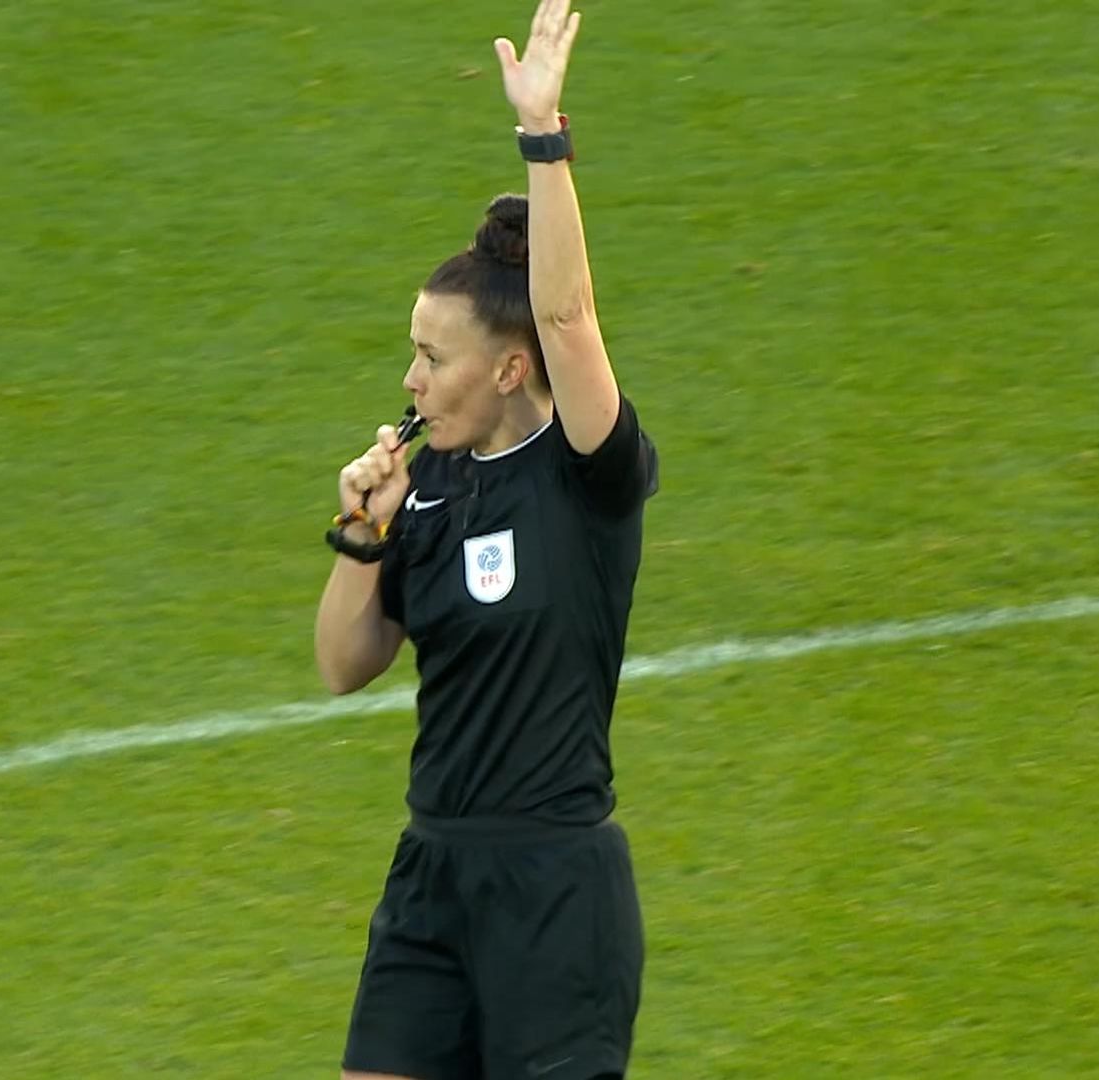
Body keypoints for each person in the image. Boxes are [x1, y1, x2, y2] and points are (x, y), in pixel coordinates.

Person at [314, 3, 658, 1077]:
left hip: (555, 893)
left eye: (433, 355)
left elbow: (567, 318)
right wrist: (360, 537)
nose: (411, 380)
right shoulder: (433, 489)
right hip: (432, 877)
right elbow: (342, 667)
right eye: (409, 352)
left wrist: (542, 134)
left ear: (508, 370)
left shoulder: (585, 473)